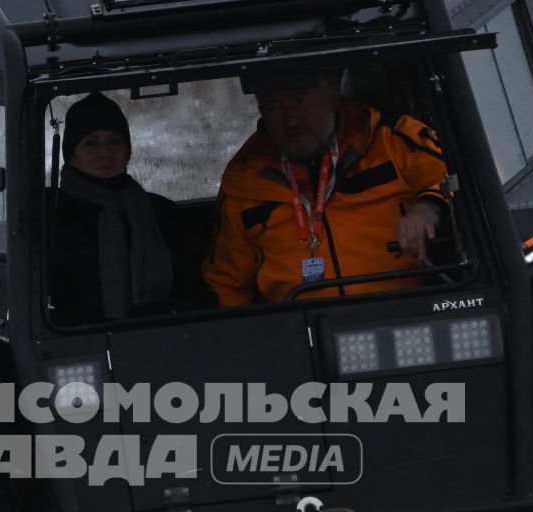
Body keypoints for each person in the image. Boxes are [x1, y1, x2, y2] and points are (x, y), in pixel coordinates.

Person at [203, 67, 451, 306]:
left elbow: (458, 177)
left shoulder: (391, 138)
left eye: (299, 101)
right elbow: (225, 284)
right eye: (273, 107)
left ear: (332, 95)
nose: (290, 120)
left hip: (405, 318)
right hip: (300, 334)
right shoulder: (243, 180)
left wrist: (429, 206)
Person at [47, 91, 214, 323]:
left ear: (127, 152)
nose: (104, 152)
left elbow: (192, 287)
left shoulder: (161, 213)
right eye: (91, 143)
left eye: (114, 141)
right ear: (70, 154)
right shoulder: (50, 214)